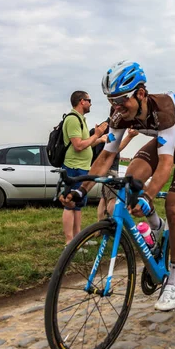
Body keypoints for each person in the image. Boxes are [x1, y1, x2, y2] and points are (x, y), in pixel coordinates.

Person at [60, 60, 175, 311]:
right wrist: (80, 189)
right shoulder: (119, 114)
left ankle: (174, 278)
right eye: (111, 101)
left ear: (140, 93)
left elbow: (165, 164)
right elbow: (105, 157)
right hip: (164, 143)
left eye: (121, 100)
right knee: (131, 179)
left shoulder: (165, 110)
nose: (116, 107)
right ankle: (155, 226)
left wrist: (149, 196)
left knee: (173, 206)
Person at [62, 90, 108, 246]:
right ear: (82, 101)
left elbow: (86, 143)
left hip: (81, 167)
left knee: (79, 204)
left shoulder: (80, 119)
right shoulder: (73, 119)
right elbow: (78, 146)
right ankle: (70, 242)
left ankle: (78, 239)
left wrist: (99, 139)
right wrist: (96, 135)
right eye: (89, 100)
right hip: (74, 167)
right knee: (70, 204)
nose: (90, 104)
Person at [96, 128, 139, 220]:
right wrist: (129, 136)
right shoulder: (110, 131)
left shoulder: (103, 128)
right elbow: (115, 149)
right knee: (112, 199)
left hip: (105, 169)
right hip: (111, 170)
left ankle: (99, 226)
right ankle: (109, 224)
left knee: (103, 199)